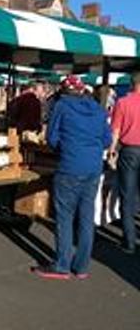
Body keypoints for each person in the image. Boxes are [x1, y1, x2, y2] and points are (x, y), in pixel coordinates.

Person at [34, 75, 111, 279]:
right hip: (93, 168)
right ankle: (82, 266)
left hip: (70, 167)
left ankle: (62, 265)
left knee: (65, 217)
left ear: (64, 91)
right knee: (86, 217)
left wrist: (66, 146)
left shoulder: (62, 106)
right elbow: (106, 140)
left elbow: (51, 138)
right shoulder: (98, 108)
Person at [109, 72, 140, 254]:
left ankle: (129, 242)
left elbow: (116, 130)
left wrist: (112, 151)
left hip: (129, 152)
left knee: (127, 196)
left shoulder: (123, 102)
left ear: (131, 84)